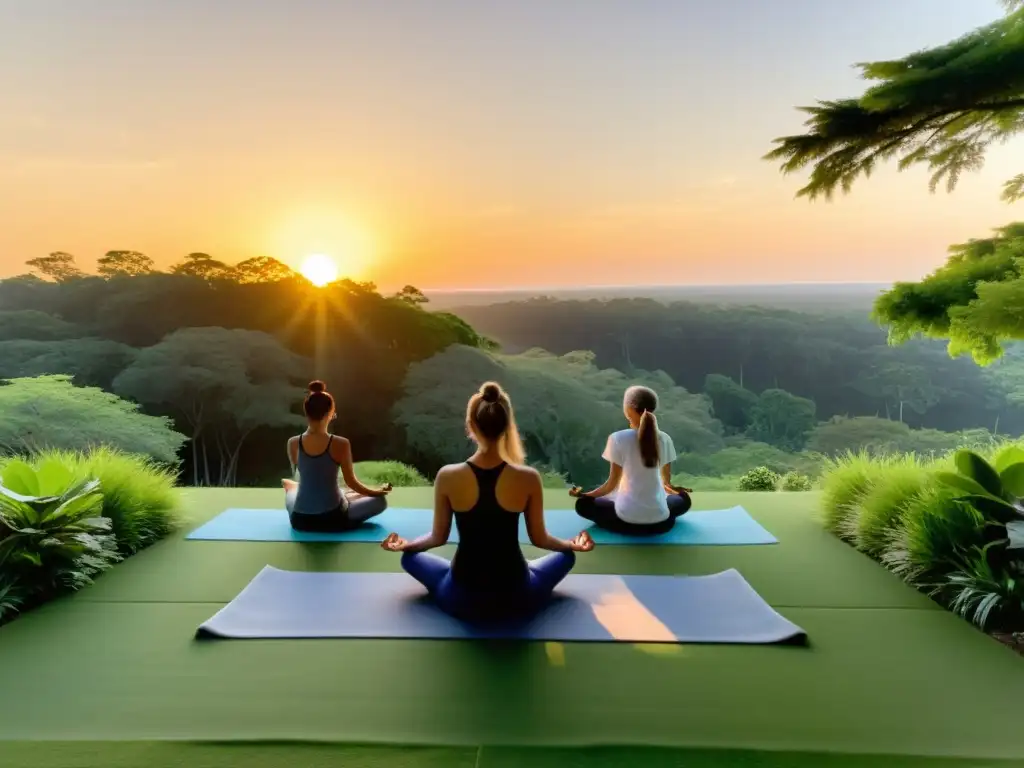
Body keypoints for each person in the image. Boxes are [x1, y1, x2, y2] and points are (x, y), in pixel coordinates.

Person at [380, 381, 594, 621]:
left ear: (471, 426)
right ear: (506, 426)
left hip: (461, 597)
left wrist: (406, 545)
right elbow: (540, 539)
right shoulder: (528, 478)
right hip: (518, 596)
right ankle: (532, 568)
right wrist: (570, 545)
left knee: (410, 557)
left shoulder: (448, 476)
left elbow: (436, 538)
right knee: (567, 555)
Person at [570, 385, 692, 535]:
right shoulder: (665, 438)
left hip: (625, 521)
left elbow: (610, 485)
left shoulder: (617, 438)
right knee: (683, 499)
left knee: (583, 505)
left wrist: (584, 495)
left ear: (628, 408)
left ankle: (617, 523)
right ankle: (659, 517)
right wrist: (676, 491)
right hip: (661, 524)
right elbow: (666, 484)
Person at [282, 380, 391, 532]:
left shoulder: (292, 443)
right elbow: (351, 482)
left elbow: (306, 470)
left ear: (306, 412)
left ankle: (292, 487)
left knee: (293, 492)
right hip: (333, 519)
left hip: (300, 521)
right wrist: (376, 492)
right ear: (330, 413)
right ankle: (298, 488)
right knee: (380, 502)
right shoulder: (341, 443)